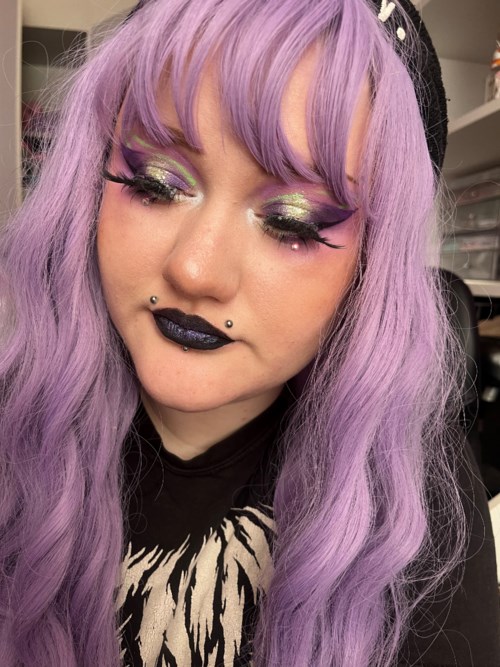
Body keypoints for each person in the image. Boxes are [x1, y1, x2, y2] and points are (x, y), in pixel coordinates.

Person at [0, 0, 499, 665]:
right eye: (155, 184)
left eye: (291, 223)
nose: (195, 270)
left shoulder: (418, 502)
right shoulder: (14, 426)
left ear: (371, 268)